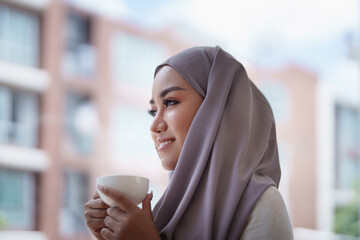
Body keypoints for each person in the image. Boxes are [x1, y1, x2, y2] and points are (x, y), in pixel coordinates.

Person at [84, 46, 294, 240]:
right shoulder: (170, 209)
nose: (154, 125)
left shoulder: (263, 205)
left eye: (171, 102)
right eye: (153, 111)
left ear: (217, 111)